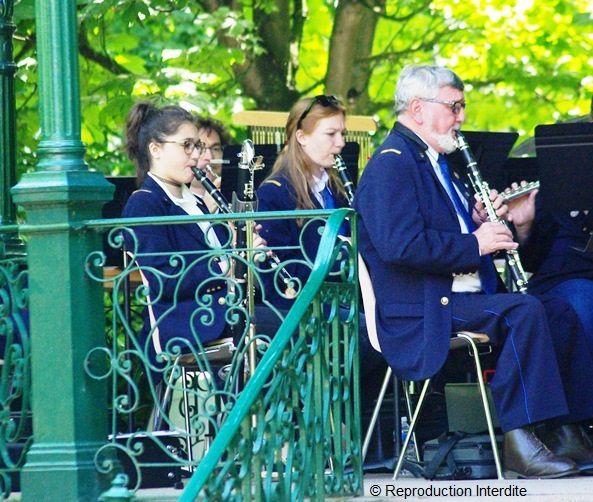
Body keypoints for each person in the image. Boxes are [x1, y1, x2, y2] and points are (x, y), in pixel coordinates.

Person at [353, 64, 593, 479]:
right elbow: (400, 246)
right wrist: (475, 242)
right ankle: (519, 438)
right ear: (417, 108)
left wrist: (474, 218)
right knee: (523, 312)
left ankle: (565, 427)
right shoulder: (392, 163)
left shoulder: (430, 160)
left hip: (451, 295)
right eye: (454, 106)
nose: (461, 117)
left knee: (556, 311)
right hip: (418, 307)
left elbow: (435, 228)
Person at [256, 95, 388, 464]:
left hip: (348, 300)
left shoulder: (338, 189)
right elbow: (282, 272)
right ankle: (340, 439)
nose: (341, 143)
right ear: (300, 136)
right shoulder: (275, 192)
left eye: (342, 133)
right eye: (330, 134)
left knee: (400, 326)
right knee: (367, 336)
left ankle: (370, 442)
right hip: (304, 306)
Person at [122, 101, 278, 373]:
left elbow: (229, 263)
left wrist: (244, 247)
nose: (195, 155)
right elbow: (164, 280)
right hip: (188, 325)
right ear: (155, 149)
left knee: (311, 320)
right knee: (297, 325)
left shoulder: (196, 202)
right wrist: (229, 263)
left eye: (198, 146)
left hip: (223, 313)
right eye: (187, 146)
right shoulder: (144, 204)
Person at [505, 105, 593, 353]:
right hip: (561, 280)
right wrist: (523, 227)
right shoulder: (556, 171)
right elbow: (531, 261)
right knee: (583, 299)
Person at [189, 116, 231, 213]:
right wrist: (206, 212)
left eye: (215, 149)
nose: (210, 157)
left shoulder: (234, 198)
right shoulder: (176, 204)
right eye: (200, 147)